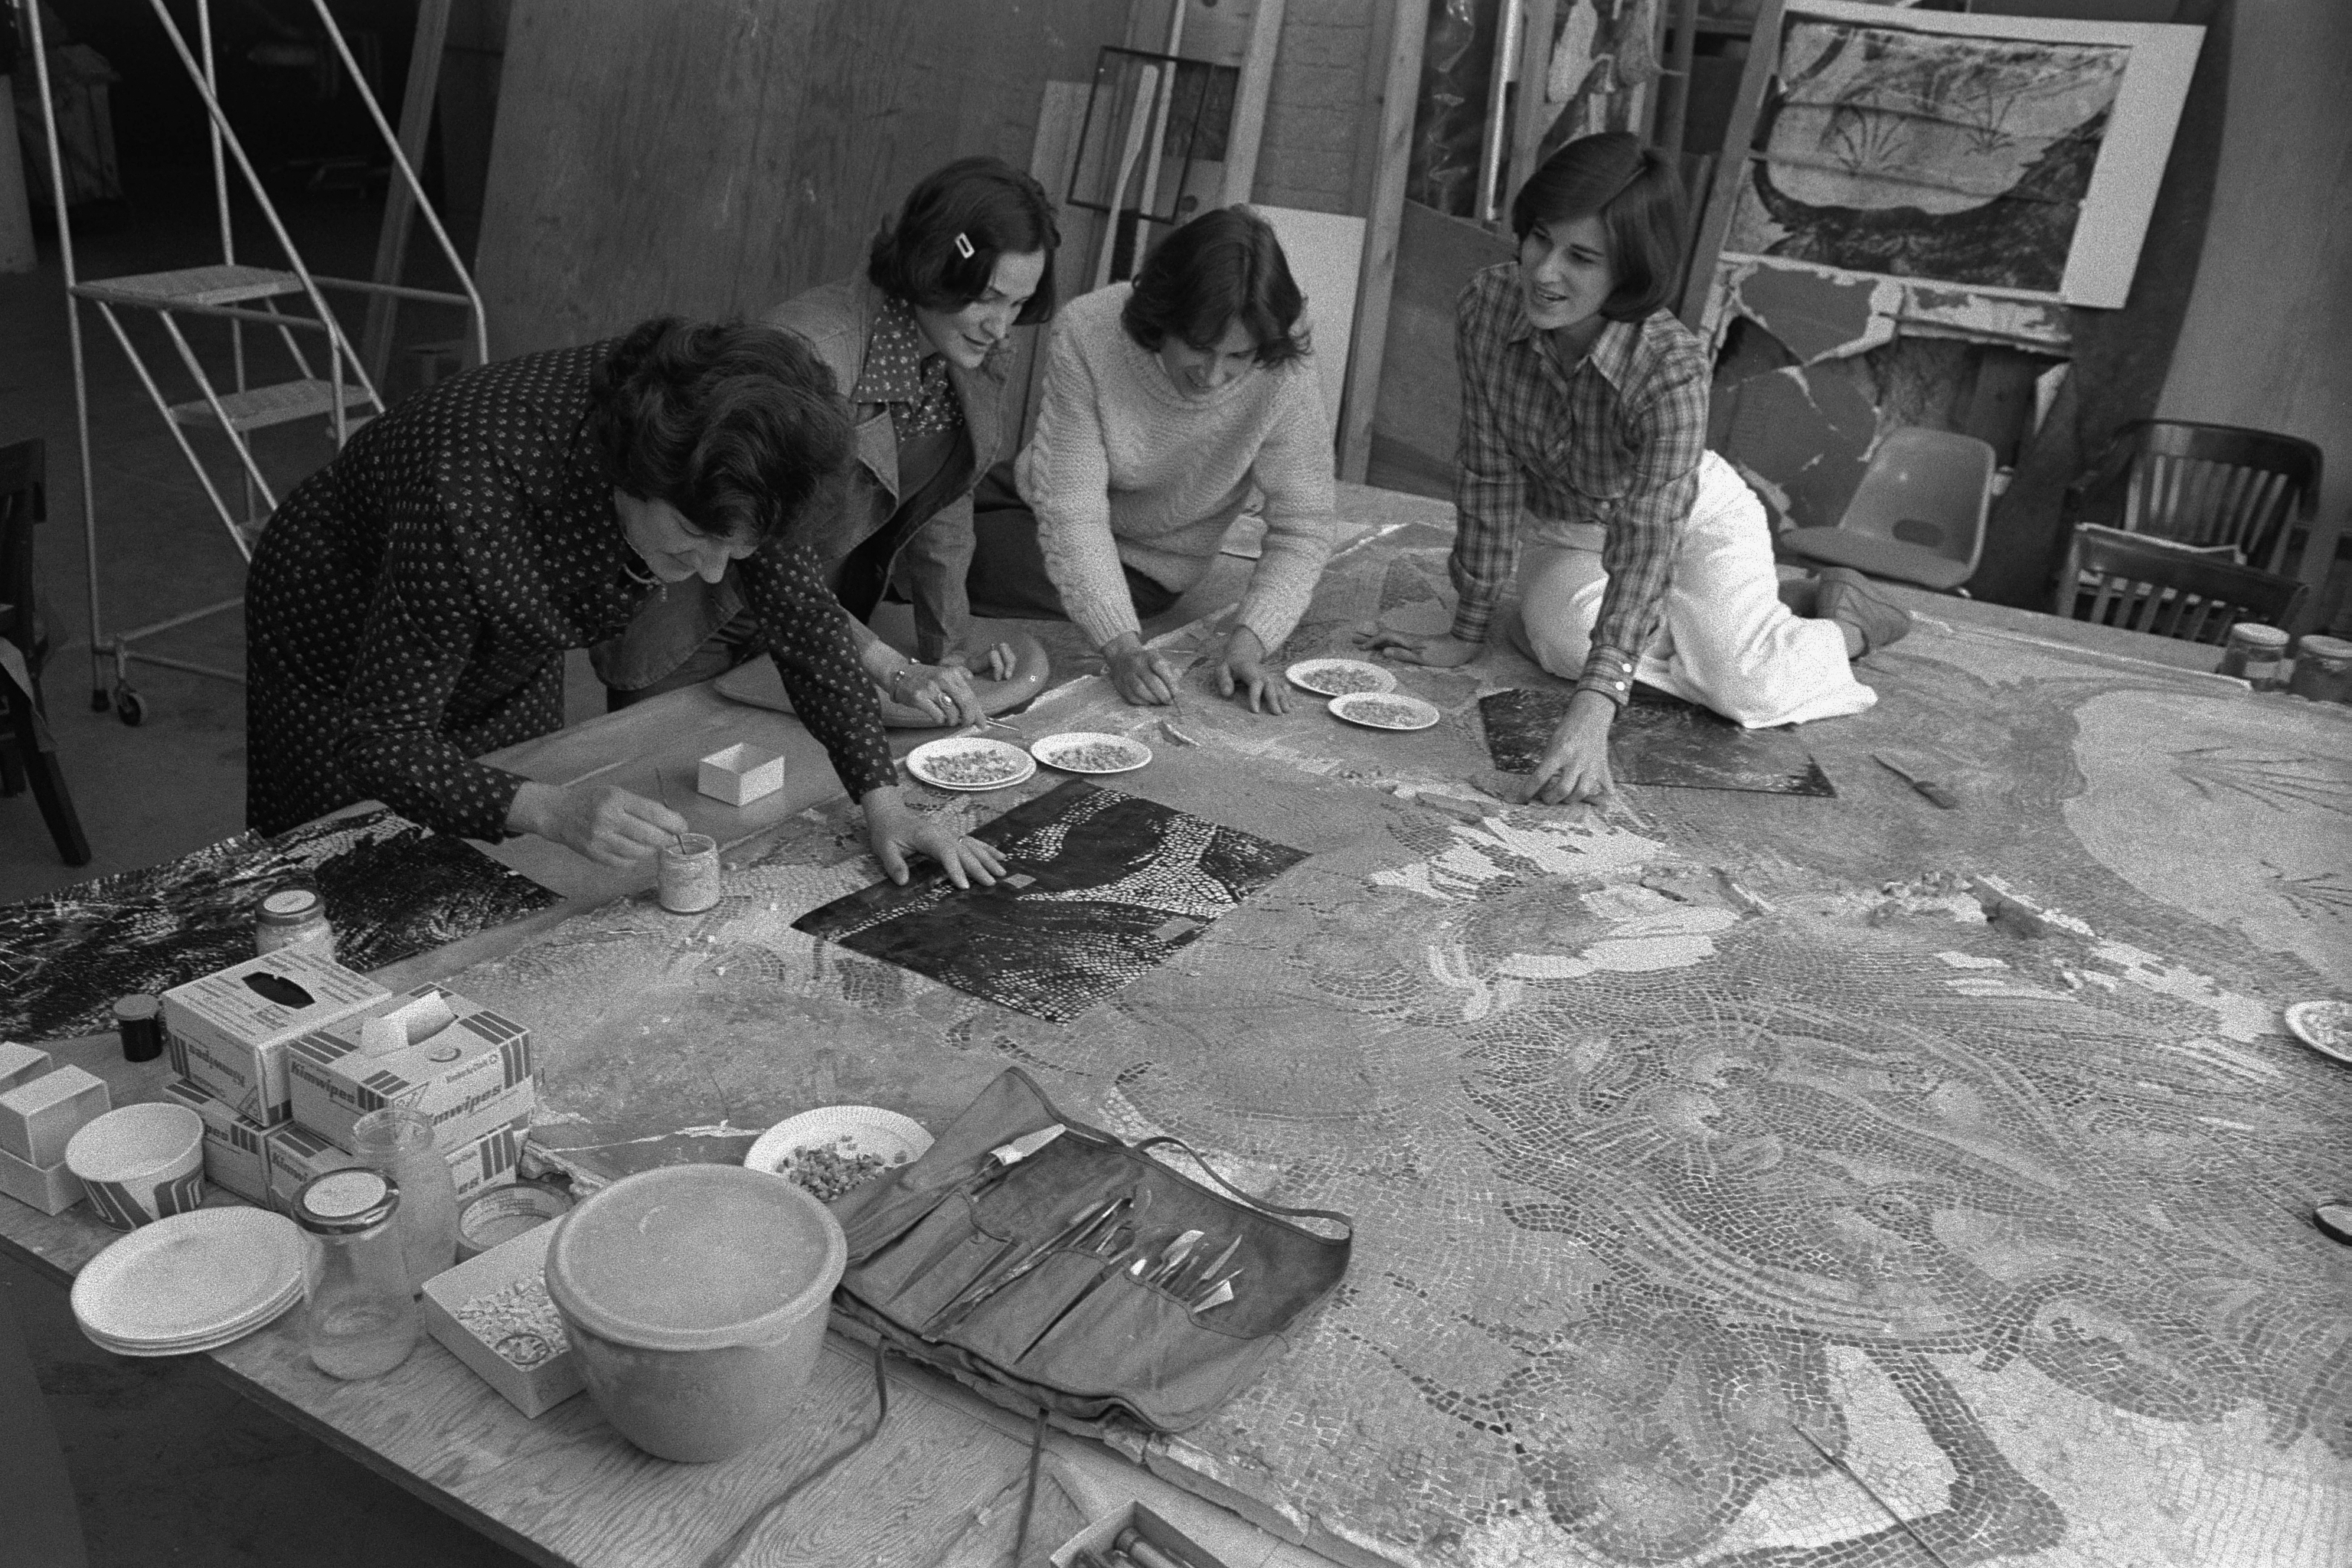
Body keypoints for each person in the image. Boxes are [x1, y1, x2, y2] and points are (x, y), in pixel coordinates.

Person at [245, 316, 1001, 887]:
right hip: (338, 619)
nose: (710, 574)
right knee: (343, 862)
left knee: (488, 858)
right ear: (632, 475)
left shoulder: (736, 455)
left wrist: (882, 798)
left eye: (733, 551)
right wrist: (550, 807)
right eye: (691, 539)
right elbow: (380, 737)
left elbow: (804, 625)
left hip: (504, 627)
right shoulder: (473, 497)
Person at [1368, 132, 1910, 803]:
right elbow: (1487, 469)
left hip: (1691, 513)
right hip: (1573, 527)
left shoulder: (1670, 367)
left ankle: (1847, 621)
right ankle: (1735, 622)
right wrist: (1467, 627)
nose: (1543, 273)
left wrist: (1597, 708)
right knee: (1570, 645)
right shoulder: (1487, 305)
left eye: (1582, 257)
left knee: (1748, 690)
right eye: (1540, 239)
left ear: (1628, 270)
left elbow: (1650, 538)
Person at [593, 156, 1060, 727]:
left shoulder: (967, 354)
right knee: (676, 785)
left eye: (1016, 304)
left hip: (817, 618)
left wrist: (951, 655)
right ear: (932, 265)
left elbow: (946, 513)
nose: (1000, 326)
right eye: (986, 297)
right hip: (695, 616)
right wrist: (891, 665)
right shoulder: (810, 348)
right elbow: (747, 535)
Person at [970, 205, 1337, 713]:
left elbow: (1304, 527)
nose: (1212, 377)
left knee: (946, 561)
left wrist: (1249, 641)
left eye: (1238, 357)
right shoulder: (1089, 327)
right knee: (927, 519)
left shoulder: (1284, 362)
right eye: (1199, 347)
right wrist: (1122, 652)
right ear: (1163, 316)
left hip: (1142, 563)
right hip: (1033, 495)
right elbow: (1071, 506)